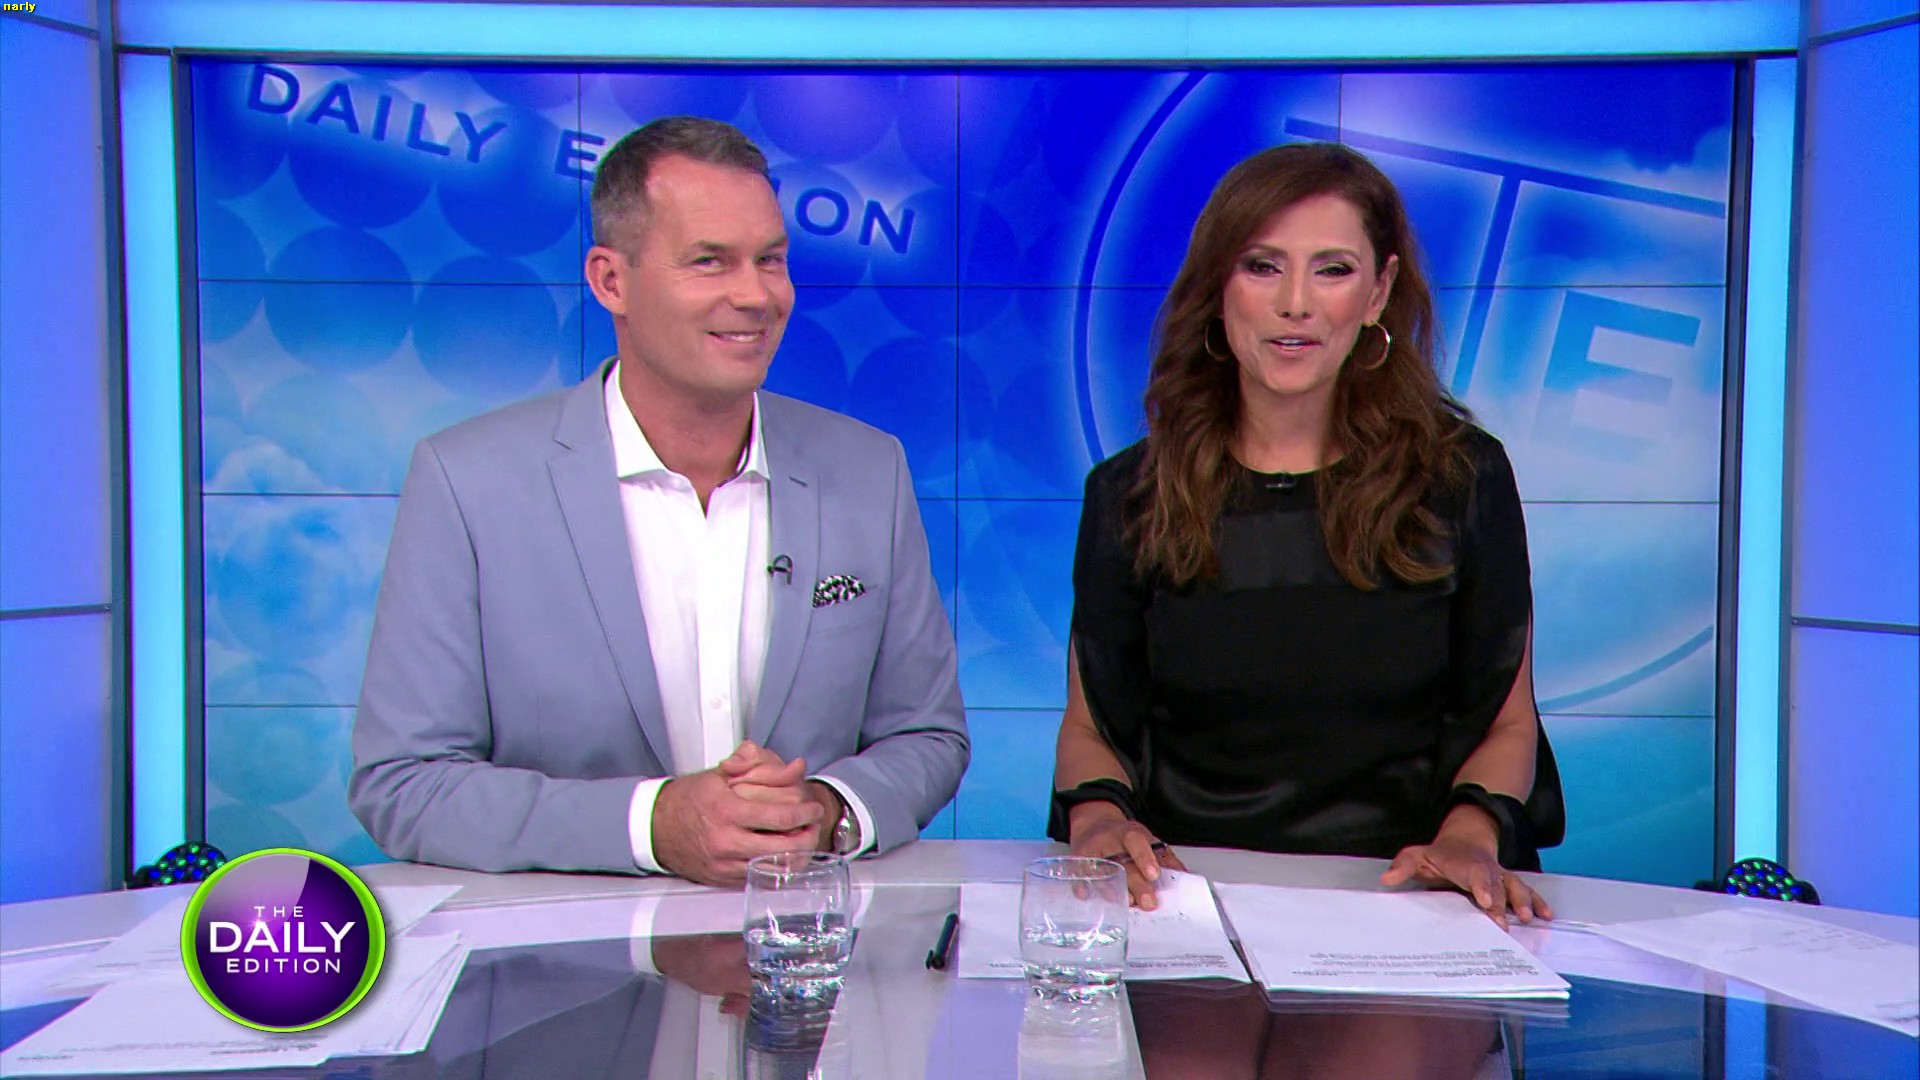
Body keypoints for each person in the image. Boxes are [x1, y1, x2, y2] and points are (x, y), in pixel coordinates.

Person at [349, 116, 968, 885]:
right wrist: (653, 824)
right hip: (568, 951)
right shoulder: (468, 481)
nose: (756, 295)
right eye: (709, 261)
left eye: (770, 260)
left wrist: (828, 810)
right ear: (611, 281)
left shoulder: (870, 470)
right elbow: (405, 784)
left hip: (809, 940)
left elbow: (928, 737)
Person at [1050, 142, 1562, 922]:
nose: (1295, 303)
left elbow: (1507, 719)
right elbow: (1093, 729)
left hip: (1404, 893)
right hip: (1186, 898)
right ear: (1218, 285)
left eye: (1332, 270)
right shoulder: (1130, 494)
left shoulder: (1463, 478)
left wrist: (1468, 839)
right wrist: (1099, 826)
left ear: (1379, 290)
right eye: (1262, 266)